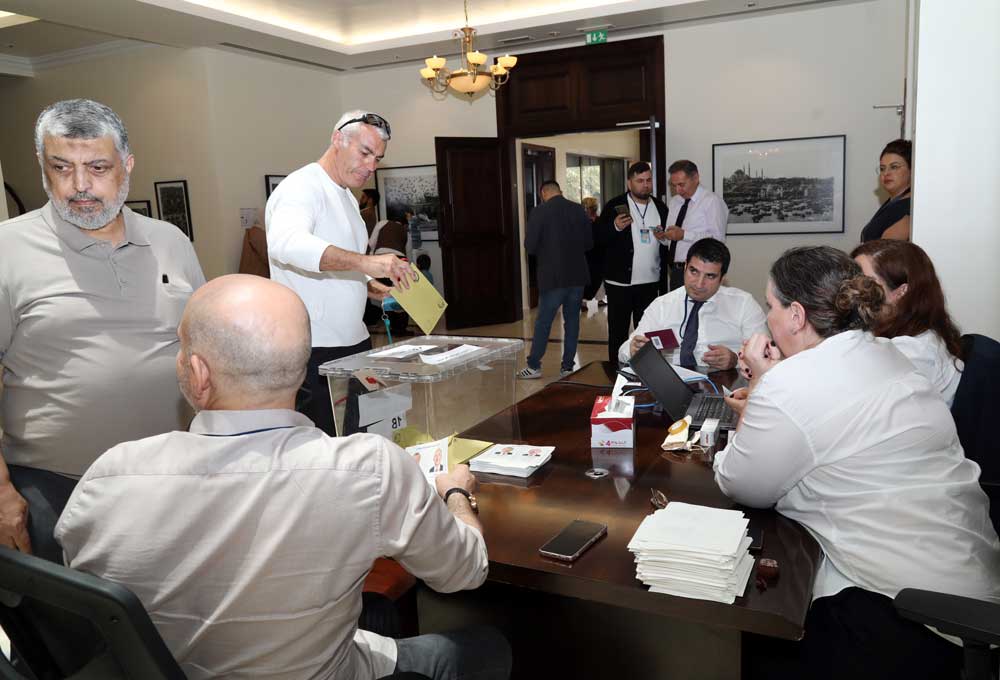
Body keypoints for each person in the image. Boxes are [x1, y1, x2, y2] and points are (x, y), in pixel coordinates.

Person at [55, 274, 512, 680]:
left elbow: (89, 600)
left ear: (197, 374)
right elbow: (465, 572)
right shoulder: (369, 470)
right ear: (301, 366)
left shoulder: (108, 477)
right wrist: (455, 493)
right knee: (491, 648)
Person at [714, 246, 999, 680]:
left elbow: (740, 483)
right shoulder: (889, 353)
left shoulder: (793, 383)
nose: (765, 320)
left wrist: (766, 386)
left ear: (795, 315)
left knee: (748, 643)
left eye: (769, 306)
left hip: (917, 618)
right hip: (967, 581)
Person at [0, 98, 205, 562]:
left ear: (126, 164)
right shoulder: (7, 248)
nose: (80, 186)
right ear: (42, 166)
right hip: (54, 488)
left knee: (163, 627)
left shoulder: (171, 241)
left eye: (97, 167)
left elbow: (205, 347)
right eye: (62, 167)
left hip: (172, 480)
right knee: (68, 632)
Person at [266, 110, 413, 435]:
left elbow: (343, 258)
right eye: (364, 153)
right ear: (337, 139)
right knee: (326, 445)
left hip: (355, 340)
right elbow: (287, 244)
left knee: (359, 435)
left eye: (377, 158)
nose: (371, 166)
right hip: (315, 348)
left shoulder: (346, 197)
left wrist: (367, 284)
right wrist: (365, 264)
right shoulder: (301, 187)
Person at [618, 238, 767, 369]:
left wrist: (736, 359)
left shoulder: (744, 304)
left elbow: (765, 357)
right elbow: (623, 352)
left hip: (724, 386)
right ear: (685, 267)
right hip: (671, 384)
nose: (699, 283)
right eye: (693, 271)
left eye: (710, 276)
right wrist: (633, 349)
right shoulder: (662, 306)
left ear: (722, 278)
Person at [851, 239, 964, 405]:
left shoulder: (915, 352)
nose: (852, 292)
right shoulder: (910, 332)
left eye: (866, 284)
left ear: (902, 291)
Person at [595, 162, 670, 365]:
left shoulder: (661, 207)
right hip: (620, 283)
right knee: (618, 333)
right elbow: (598, 238)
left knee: (647, 334)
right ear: (629, 183)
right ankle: (615, 373)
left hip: (651, 282)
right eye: (640, 181)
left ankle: (647, 373)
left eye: (648, 180)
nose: (645, 185)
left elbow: (667, 243)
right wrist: (615, 227)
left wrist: (664, 238)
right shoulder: (614, 205)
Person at [518, 180, 592, 379]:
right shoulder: (578, 209)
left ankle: (534, 366)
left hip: (552, 277)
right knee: (572, 322)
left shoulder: (539, 212)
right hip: (577, 276)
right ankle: (567, 366)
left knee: (544, 322)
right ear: (560, 191)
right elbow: (588, 242)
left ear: (543, 193)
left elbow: (530, 246)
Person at [662, 160, 729, 292]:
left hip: (699, 273)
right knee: (678, 312)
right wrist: (663, 236)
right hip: (675, 271)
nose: (678, 190)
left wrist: (684, 235)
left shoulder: (712, 201)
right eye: (674, 185)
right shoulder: (675, 202)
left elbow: (717, 240)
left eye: (681, 184)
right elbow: (672, 240)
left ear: (696, 178)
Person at [860, 139, 912, 242]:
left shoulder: (909, 209)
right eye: (882, 168)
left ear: (911, 170)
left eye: (894, 167)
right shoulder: (892, 202)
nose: (886, 173)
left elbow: (886, 255)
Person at [581, 196, 605, 308]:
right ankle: (583, 301)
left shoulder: (600, 221)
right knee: (586, 277)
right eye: (585, 207)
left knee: (599, 276)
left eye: (589, 207)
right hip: (586, 253)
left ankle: (600, 299)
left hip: (598, 253)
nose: (587, 210)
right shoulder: (580, 222)